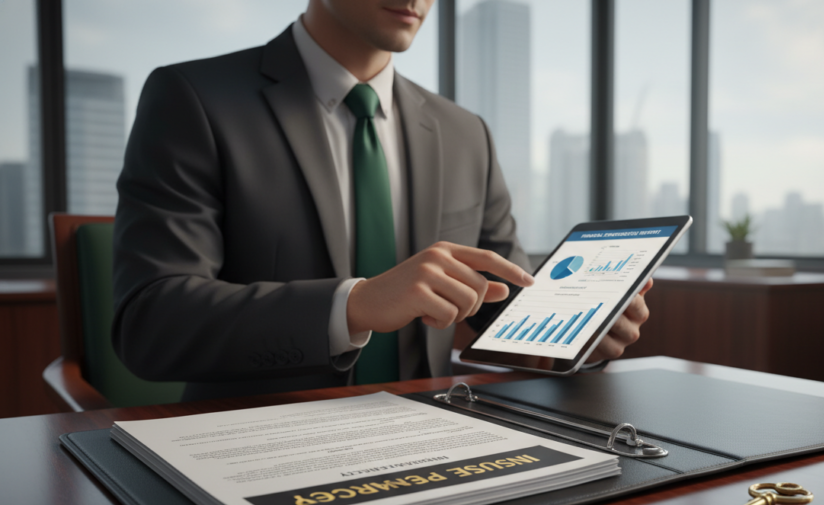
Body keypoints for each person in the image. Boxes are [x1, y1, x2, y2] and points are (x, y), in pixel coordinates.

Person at [112, 0, 652, 401]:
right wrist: (356, 304)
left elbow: (502, 308)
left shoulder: (466, 134)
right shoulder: (195, 99)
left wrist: (577, 334)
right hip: (259, 448)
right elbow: (151, 324)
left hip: (441, 443)